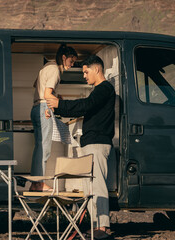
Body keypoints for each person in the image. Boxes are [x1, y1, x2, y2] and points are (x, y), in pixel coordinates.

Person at [46, 55, 115, 239]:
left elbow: (85, 105)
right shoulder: (98, 90)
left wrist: (60, 104)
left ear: (97, 69)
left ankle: (103, 227)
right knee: (90, 188)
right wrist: (59, 107)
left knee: (97, 185)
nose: (84, 75)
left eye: (86, 71)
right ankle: (96, 227)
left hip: (98, 144)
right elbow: (86, 106)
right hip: (91, 143)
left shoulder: (104, 88)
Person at [29, 44, 78, 191]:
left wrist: (54, 97)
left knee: (39, 147)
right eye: (71, 61)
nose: (72, 65)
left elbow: (36, 86)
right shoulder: (55, 69)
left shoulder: (46, 67)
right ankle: (38, 183)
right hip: (44, 108)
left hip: (36, 108)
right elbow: (47, 94)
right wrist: (57, 103)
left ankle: (35, 183)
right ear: (64, 58)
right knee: (44, 148)